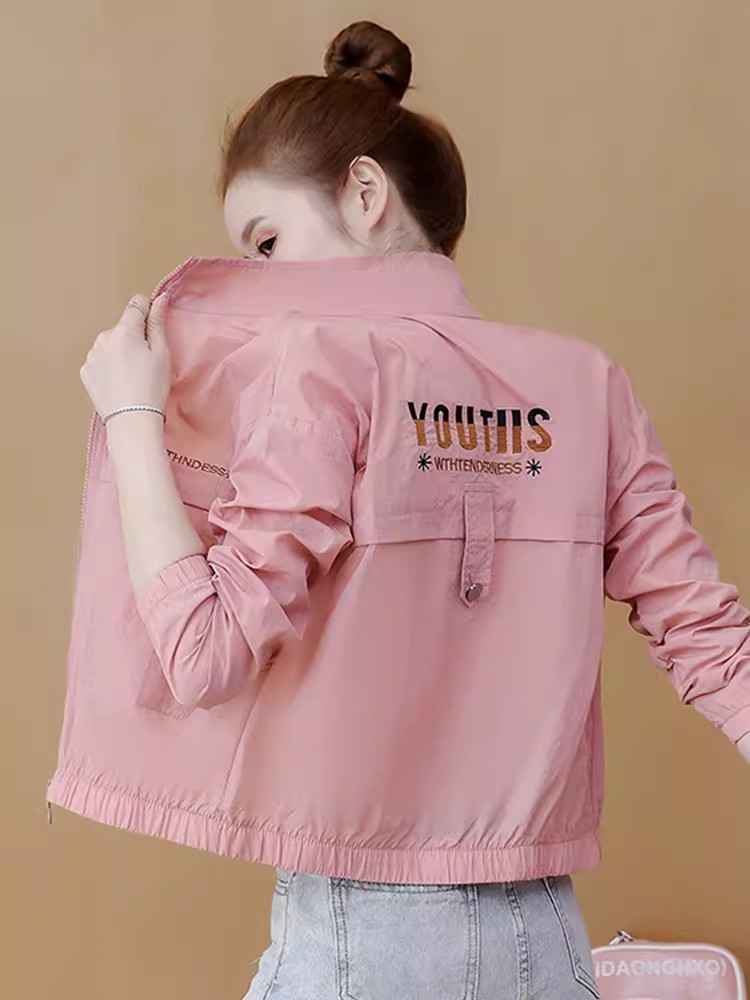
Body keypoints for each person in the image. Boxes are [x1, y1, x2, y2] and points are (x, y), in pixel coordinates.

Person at [79, 20, 750, 1000]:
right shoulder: (587, 384)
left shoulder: (320, 367)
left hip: (358, 943)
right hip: (547, 944)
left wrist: (134, 421)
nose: (261, 283)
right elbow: (709, 636)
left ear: (364, 193)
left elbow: (204, 654)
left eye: (267, 243)